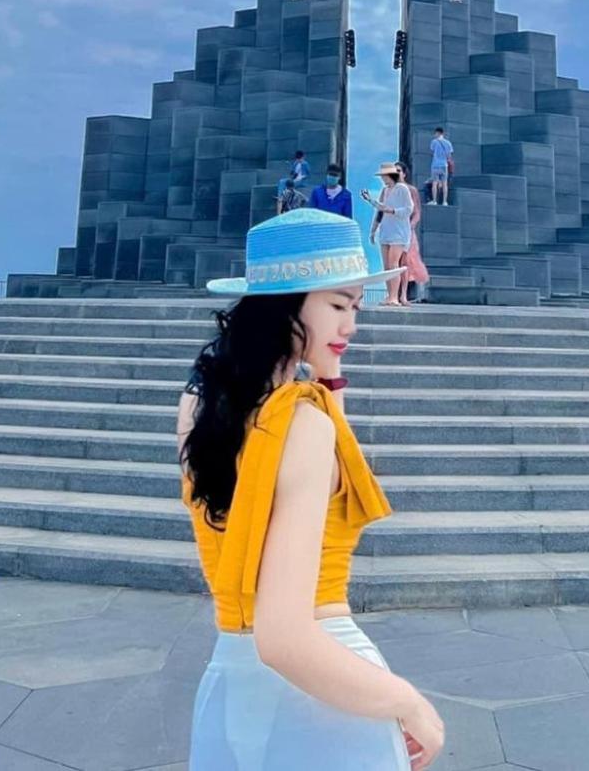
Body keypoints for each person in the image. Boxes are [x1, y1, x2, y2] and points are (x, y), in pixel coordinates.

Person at [178, 211, 444, 770]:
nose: (352, 325)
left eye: (356, 308)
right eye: (340, 305)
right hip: (323, 692)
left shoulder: (198, 407)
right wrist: (409, 702)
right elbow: (284, 638)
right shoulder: (302, 424)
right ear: (288, 305)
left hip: (230, 689)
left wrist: (326, 373)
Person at [361, 163, 414, 307]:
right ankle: (389, 295)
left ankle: (394, 297)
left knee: (393, 264)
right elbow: (380, 209)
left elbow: (409, 209)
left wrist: (393, 211)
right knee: (386, 266)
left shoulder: (402, 189)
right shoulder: (385, 190)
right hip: (386, 231)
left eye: (384, 176)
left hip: (399, 232)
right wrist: (373, 229)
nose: (382, 178)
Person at [397, 162, 429, 302]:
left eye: (398, 171)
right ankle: (396, 294)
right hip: (395, 231)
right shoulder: (390, 190)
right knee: (395, 261)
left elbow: (417, 212)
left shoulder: (411, 190)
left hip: (407, 230)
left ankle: (419, 293)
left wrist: (411, 226)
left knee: (412, 259)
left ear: (404, 173)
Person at [429, 128, 453, 206]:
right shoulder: (448, 143)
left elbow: (432, 152)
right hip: (444, 165)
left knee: (434, 183)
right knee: (445, 184)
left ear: (438, 133)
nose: (434, 135)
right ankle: (444, 201)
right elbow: (449, 156)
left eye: (435, 133)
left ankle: (434, 201)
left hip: (435, 165)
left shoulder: (434, 142)